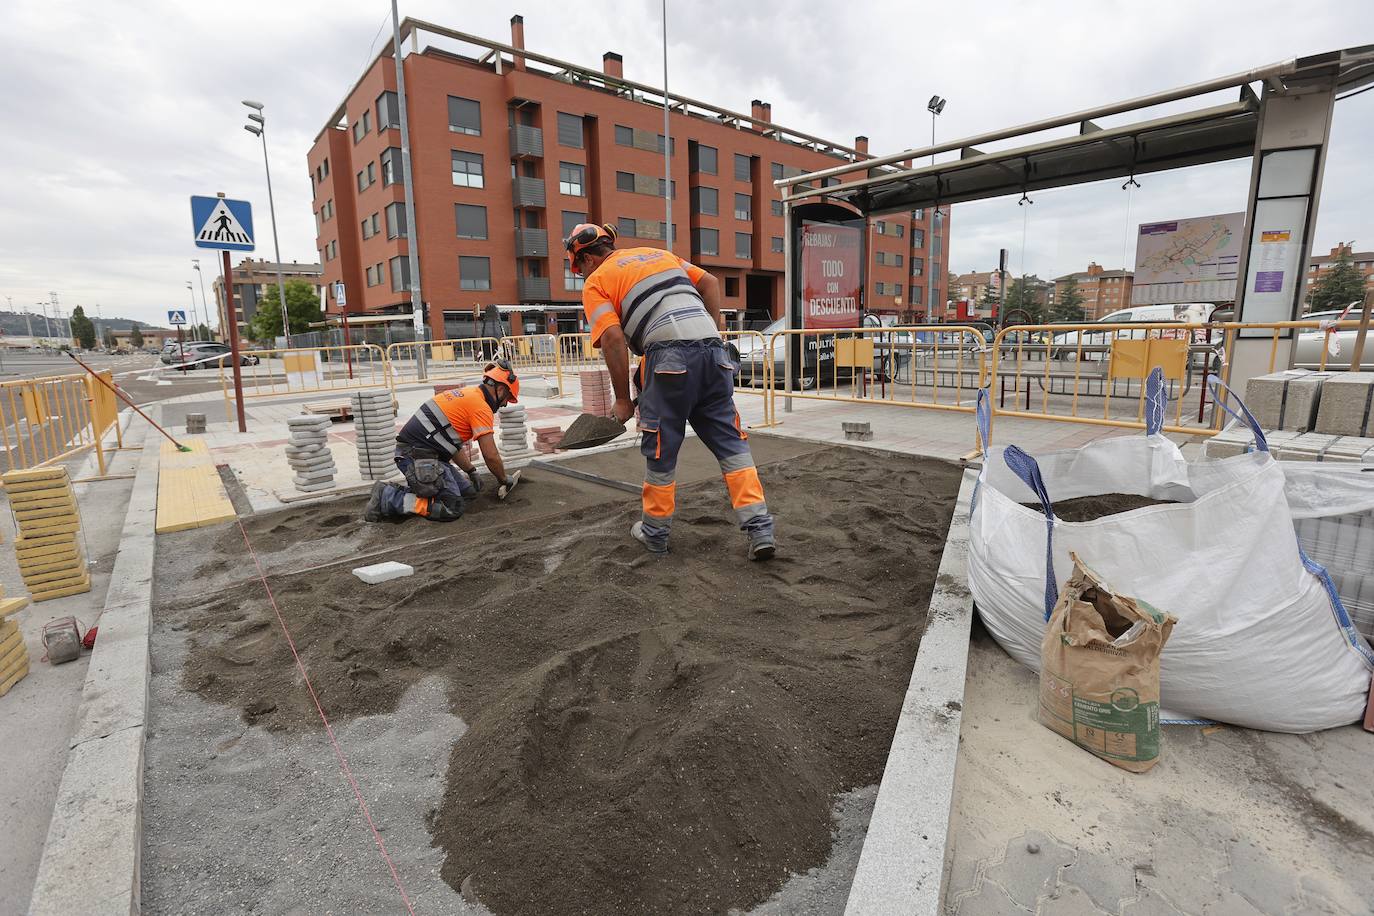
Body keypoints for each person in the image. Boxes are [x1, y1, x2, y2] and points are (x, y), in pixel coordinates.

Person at [565, 223, 776, 560]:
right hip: (713, 354)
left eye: (578, 268)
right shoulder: (658, 254)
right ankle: (760, 529)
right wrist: (709, 329)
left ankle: (655, 534)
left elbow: (613, 338)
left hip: (669, 360)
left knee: (661, 450)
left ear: (587, 258)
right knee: (731, 445)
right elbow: (709, 282)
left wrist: (621, 399)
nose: (580, 274)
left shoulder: (597, 281)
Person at [363, 360, 519, 522]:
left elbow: (451, 444)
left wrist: (470, 470)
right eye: (507, 398)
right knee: (451, 506)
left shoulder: (470, 394)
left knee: (467, 492)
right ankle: (389, 496)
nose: (505, 404)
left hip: (423, 454)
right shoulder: (481, 407)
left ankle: (409, 491)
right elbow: (490, 454)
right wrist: (503, 478)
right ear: (500, 389)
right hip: (415, 456)